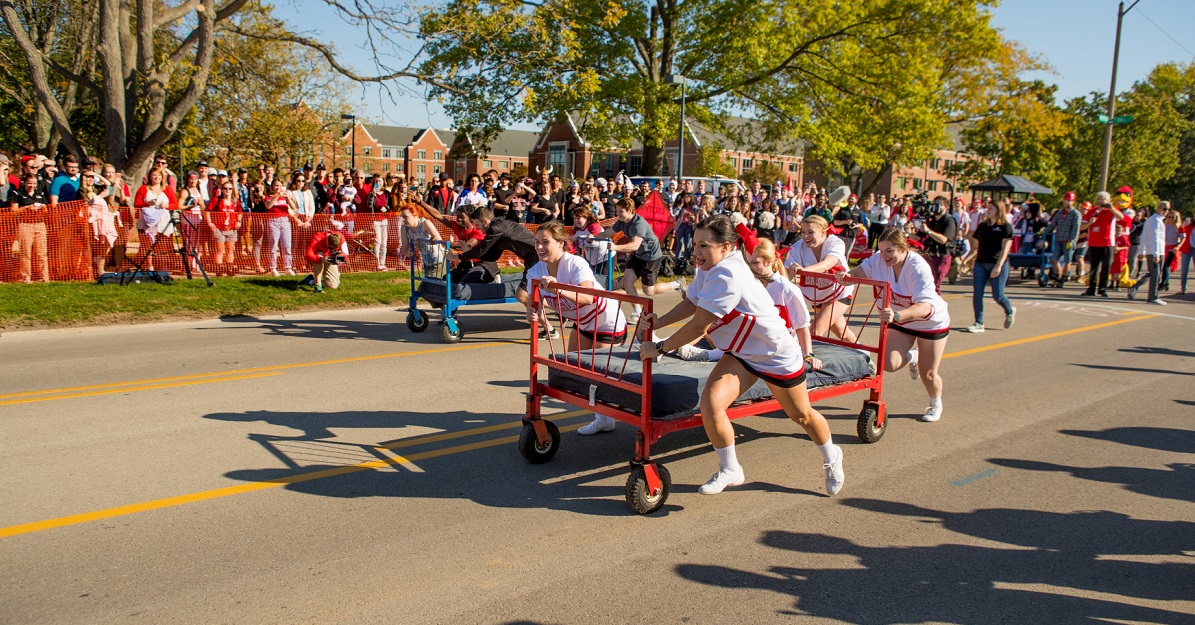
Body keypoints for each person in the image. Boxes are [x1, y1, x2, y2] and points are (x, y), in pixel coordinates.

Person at [638, 214, 844, 496]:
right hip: (742, 354)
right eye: (695, 245)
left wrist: (660, 347)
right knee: (711, 404)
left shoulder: (728, 273)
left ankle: (832, 456)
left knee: (802, 416)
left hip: (776, 355)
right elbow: (691, 302)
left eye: (704, 246)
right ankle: (730, 469)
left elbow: (700, 323)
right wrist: (657, 322)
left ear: (725, 247)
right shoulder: (709, 267)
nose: (696, 252)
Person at [523, 221, 629, 434]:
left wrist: (559, 289)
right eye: (537, 242)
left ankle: (608, 415)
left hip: (606, 320)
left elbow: (588, 297)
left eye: (546, 242)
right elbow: (532, 305)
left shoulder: (574, 264)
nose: (540, 247)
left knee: (599, 373)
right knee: (576, 370)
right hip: (583, 322)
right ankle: (604, 417)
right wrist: (532, 312)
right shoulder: (535, 271)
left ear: (561, 243)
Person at [840, 227, 950, 422]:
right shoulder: (878, 259)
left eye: (889, 251)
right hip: (899, 318)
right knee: (888, 364)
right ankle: (913, 356)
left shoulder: (918, 267)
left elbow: (925, 307)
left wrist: (898, 316)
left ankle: (935, 403)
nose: (884, 255)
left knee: (929, 373)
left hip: (928, 322)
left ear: (902, 248)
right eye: (881, 250)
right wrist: (846, 276)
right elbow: (861, 271)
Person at [599, 197, 687, 324]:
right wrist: (591, 238)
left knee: (649, 291)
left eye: (621, 211)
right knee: (627, 281)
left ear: (630, 211)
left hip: (651, 257)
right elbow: (607, 233)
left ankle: (677, 284)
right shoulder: (621, 222)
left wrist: (616, 247)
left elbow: (635, 244)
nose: (618, 214)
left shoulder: (638, 224)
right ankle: (638, 313)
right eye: (617, 211)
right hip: (637, 255)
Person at [784, 215, 856, 342]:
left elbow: (827, 264)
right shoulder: (798, 247)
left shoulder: (835, 242)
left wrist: (804, 270)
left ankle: (810, 360)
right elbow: (786, 273)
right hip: (818, 296)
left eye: (811, 232)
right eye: (803, 232)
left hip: (839, 293)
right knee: (842, 333)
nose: (806, 236)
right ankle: (866, 358)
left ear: (823, 233)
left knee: (815, 331)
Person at [961, 199, 1015, 333]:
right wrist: (965, 261)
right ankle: (979, 323)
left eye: (990, 208)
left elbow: (1005, 248)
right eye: (987, 208)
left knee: (998, 295)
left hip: (997, 263)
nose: (987, 210)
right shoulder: (983, 226)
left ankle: (1009, 310)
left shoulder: (1005, 227)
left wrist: (999, 266)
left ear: (999, 210)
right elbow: (975, 247)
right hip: (980, 263)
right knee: (977, 294)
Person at [9, 173, 51, 283]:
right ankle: (26, 277)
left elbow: (46, 209)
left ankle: (44, 277)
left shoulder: (39, 193)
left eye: (34, 183)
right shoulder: (17, 193)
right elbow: (13, 211)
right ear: (24, 183)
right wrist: (26, 208)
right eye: (29, 183)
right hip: (25, 224)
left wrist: (42, 208)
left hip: (39, 224)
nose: (32, 186)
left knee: (42, 252)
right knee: (25, 252)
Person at [1082, 191, 1123, 297]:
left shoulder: (1111, 211)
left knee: (1106, 266)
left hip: (1107, 243)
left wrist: (1111, 208)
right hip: (1093, 243)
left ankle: (1102, 288)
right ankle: (1092, 288)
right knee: (1094, 267)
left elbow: (1121, 217)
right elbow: (1082, 227)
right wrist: (1090, 223)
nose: (1100, 201)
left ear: (1108, 201)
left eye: (1103, 199)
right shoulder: (1092, 211)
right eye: (1099, 198)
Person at [916, 197, 958, 294]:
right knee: (925, 281)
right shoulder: (931, 220)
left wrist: (929, 231)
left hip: (942, 255)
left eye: (940, 204)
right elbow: (917, 237)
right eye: (935, 204)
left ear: (946, 207)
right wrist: (907, 232)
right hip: (930, 254)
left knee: (935, 283)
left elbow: (943, 240)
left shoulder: (949, 220)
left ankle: (936, 306)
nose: (936, 207)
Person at [261, 178, 302, 276]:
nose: (278, 187)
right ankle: (273, 267)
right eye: (276, 185)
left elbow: (294, 207)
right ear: (272, 187)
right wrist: (277, 196)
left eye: (279, 185)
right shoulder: (268, 197)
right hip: (273, 221)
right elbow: (268, 206)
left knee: (287, 244)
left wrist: (288, 198)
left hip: (285, 221)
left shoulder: (284, 198)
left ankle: (288, 267)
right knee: (273, 244)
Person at [84, 172, 121, 277]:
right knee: (92, 247)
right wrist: (101, 195)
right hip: (91, 222)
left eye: (92, 177)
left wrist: (98, 175)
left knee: (105, 246)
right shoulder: (83, 190)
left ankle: (100, 269)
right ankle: (93, 271)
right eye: (88, 177)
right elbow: (92, 201)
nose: (90, 179)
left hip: (103, 222)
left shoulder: (96, 188)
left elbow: (109, 187)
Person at [207, 179, 243, 277]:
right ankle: (219, 268)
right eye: (225, 188)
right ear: (222, 189)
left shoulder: (235, 201)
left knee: (230, 249)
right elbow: (208, 210)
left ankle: (229, 268)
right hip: (219, 228)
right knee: (220, 249)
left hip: (231, 228)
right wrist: (210, 222)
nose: (227, 190)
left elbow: (239, 212)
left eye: (230, 189)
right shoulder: (216, 200)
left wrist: (239, 221)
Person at [1045, 192, 1082, 287]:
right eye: (1066, 200)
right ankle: (1057, 277)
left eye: (1070, 200)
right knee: (1054, 259)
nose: (1067, 202)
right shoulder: (1059, 213)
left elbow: (1076, 228)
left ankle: (1063, 279)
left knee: (1067, 261)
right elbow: (1053, 224)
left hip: (1068, 241)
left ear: (1073, 202)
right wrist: (1044, 232)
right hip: (1058, 239)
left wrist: (1072, 240)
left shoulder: (1076, 214)